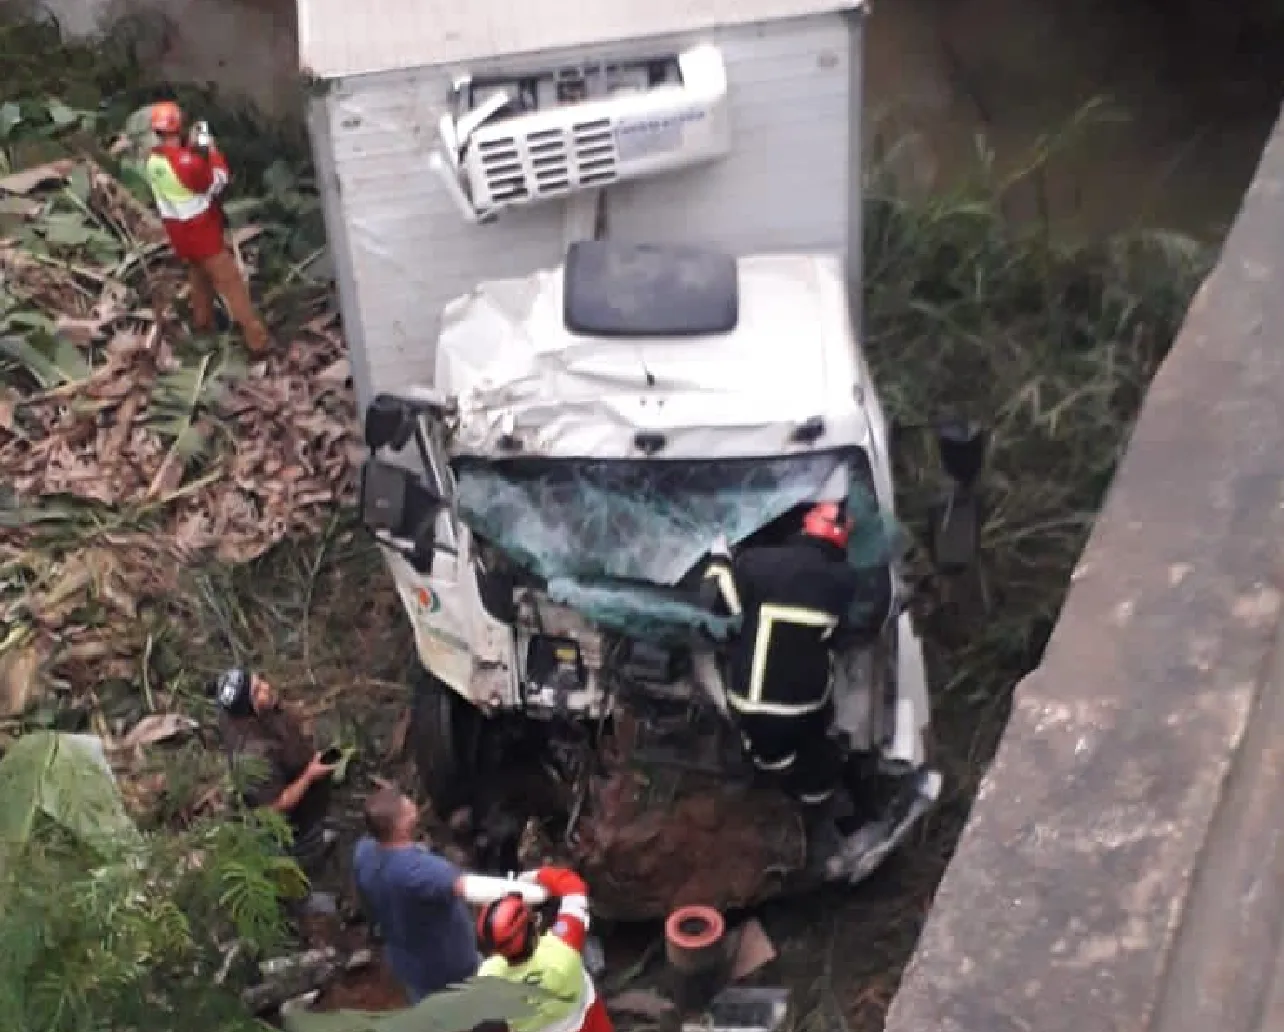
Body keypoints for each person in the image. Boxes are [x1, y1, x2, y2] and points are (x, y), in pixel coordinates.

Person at [700, 502, 892, 810]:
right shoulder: (845, 581)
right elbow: (850, 628)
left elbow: (715, 602)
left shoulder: (757, 563)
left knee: (769, 754)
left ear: (804, 527)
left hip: (750, 701)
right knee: (803, 754)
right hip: (807, 705)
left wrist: (720, 558)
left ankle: (765, 781)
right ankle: (812, 799)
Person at [144, 100, 271, 353]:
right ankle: (257, 340)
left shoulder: (153, 161)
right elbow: (217, 181)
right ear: (177, 129)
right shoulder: (187, 164)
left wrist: (193, 149)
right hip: (201, 231)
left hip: (178, 233)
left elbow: (180, 168)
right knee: (231, 282)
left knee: (199, 278)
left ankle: (203, 328)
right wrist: (211, 151)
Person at [352, 787, 480, 1003]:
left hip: (405, 957)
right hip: (447, 962)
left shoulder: (363, 851)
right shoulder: (423, 871)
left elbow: (364, 899)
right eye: (407, 808)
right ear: (401, 825)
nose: (413, 805)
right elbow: (469, 887)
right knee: (466, 1003)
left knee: (424, 1002)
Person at [215, 667, 336, 874]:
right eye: (256, 691)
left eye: (260, 680)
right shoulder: (255, 755)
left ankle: (317, 841)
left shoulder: (241, 712)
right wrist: (310, 774)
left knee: (314, 833)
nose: (266, 687)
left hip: (303, 792)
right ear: (248, 708)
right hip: (294, 822)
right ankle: (308, 893)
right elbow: (273, 807)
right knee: (301, 855)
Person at [476, 866, 613, 1032]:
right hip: (589, 1019)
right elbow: (574, 888)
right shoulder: (562, 948)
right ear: (534, 923)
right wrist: (534, 876)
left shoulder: (488, 975)